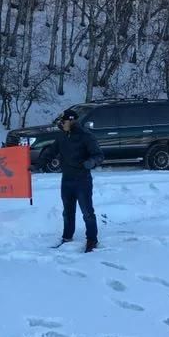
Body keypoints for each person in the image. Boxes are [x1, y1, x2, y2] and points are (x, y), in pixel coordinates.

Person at [39, 108, 104, 252]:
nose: (62, 124)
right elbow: (52, 151)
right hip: (67, 179)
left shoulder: (86, 136)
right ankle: (67, 237)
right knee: (67, 211)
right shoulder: (62, 136)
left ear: (72, 120)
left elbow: (99, 155)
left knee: (87, 212)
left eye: (64, 121)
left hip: (82, 180)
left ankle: (92, 239)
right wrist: (40, 163)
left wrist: (90, 163)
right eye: (61, 121)